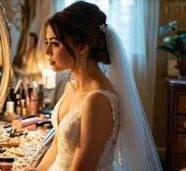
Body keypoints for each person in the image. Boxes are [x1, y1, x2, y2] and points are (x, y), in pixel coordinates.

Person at [25, 1, 162, 171]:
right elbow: (57, 145)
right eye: (47, 42)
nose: (47, 51)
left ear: (82, 47)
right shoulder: (71, 86)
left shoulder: (97, 100)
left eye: (55, 43)